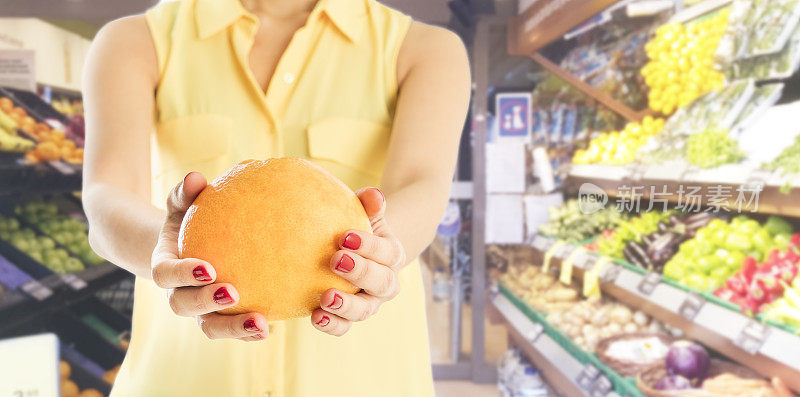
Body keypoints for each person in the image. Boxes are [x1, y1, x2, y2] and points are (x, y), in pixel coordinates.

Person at [81, 0, 470, 395]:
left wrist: (374, 258)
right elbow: (107, 196)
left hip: (362, 379)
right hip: (185, 379)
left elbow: (421, 185)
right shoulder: (135, 41)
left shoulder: (422, 49)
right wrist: (179, 255)